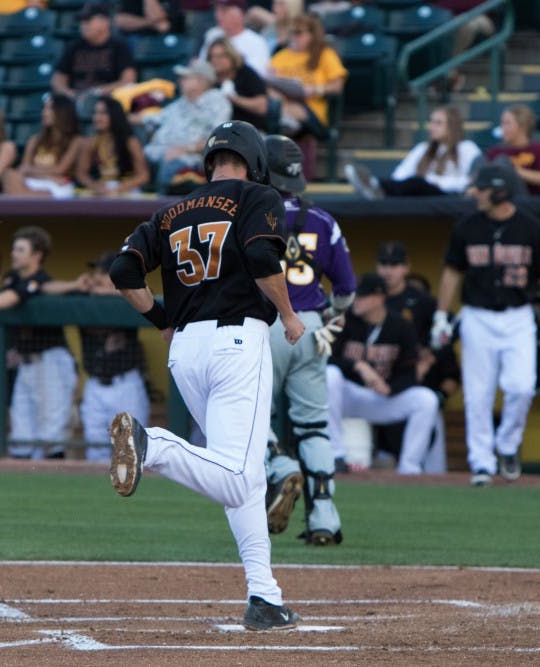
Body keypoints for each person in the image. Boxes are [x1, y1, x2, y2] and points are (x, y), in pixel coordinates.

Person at [106, 120, 305, 631]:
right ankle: (154, 446)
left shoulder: (171, 209)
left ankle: (264, 597)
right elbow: (263, 256)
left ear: (210, 161)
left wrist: (160, 319)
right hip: (238, 341)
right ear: (254, 159)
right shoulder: (258, 194)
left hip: (187, 347)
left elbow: (123, 270)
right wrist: (287, 312)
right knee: (239, 476)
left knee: (244, 475)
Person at [431, 163, 540, 486]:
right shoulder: (467, 226)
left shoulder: (531, 227)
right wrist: (441, 313)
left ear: (500, 190)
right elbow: (452, 271)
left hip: (519, 316)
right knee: (477, 394)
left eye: (481, 188)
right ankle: (481, 462)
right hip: (477, 315)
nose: (475, 194)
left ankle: (507, 446)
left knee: (522, 387)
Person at [261, 134, 356, 546]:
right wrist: (332, 317)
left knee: (248, 420)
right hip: (313, 326)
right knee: (314, 426)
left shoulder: (248, 213)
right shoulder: (323, 219)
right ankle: (325, 517)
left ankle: (281, 471)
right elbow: (347, 288)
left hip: (265, 325)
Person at [0, 226, 84, 460]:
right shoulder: (13, 279)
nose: (14, 254)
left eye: (20, 249)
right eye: (14, 249)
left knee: (53, 437)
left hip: (52, 362)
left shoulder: (39, 279)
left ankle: (55, 492)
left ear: (36, 255)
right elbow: (5, 292)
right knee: (21, 433)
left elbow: (15, 296)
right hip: (26, 364)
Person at [326, 272, 439, 474]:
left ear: (379, 298)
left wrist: (390, 388)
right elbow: (326, 358)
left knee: (426, 399)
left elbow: (410, 373)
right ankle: (335, 454)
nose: (355, 301)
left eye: (361, 296)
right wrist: (358, 366)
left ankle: (409, 467)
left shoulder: (401, 326)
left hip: (381, 398)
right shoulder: (345, 321)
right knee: (330, 375)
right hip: (347, 395)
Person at [375, 242, 452, 474]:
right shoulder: (372, 298)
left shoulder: (422, 301)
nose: (388, 271)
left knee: (431, 467)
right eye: (384, 264)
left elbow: (447, 331)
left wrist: (428, 355)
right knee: (380, 461)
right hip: (379, 387)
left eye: (395, 265)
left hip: (417, 387)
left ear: (406, 267)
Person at [78, 251, 150, 462]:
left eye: (104, 273)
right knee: (95, 450)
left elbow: (149, 294)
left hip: (125, 384)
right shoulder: (84, 298)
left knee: (132, 450)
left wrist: (107, 292)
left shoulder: (129, 297)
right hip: (95, 385)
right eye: (97, 272)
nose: (97, 277)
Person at [344, 106, 480, 199]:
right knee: (415, 182)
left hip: (447, 195)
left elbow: (469, 181)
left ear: (452, 125)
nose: (431, 126)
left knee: (418, 182)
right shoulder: (422, 148)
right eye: (431, 122)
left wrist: (437, 182)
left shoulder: (467, 148)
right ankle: (374, 186)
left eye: (438, 123)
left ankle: (374, 185)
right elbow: (400, 175)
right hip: (419, 193)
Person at [143, 59, 231, 193]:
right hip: (157, 154)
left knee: (170, 163)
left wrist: (185, 149)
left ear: (201, 80)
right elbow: (151, 119)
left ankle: (159, 208)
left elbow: (218, 139)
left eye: (186, 77)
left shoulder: (217, 102)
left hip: (190, 158)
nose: (180, 81)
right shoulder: (181, 103)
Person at [267, 14, 347, 141]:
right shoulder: (280, 56)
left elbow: (338, 86)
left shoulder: (325, 54)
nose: (294, 37)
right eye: (291, 32)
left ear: (312, 35)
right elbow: (270, 81)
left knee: (277, 113)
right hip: (282, 102)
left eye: (298, 33)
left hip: (311, 109)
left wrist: (315, 90)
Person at [2, 94, 83, 197]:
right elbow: (23, 168)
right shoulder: (35, 140)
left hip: (58, 185)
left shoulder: (76, 141)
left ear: (62, 112)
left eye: (49, 109)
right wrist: (48, 176)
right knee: (9, 175)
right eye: (44, 108)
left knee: (18, 193)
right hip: (36, 181)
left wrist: (32, 170)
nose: (44, 113)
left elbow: (60, 170)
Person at [51, 2, 136, 100]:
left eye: (88, 21)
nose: (83, 25)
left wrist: (98, 92)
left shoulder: (119, 46)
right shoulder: (74, 46)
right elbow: (58, 79)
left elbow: (128, 81)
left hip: (108, 102)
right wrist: (68, 93)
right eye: (81, 21)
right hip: (76, 101)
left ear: (105, 22)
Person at [75, 95, 150, 195]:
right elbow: (81, 174)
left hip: (127, 189)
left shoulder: (131, 142)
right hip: (101, 189)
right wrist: (97, 187)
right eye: (95, 113)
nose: (97, 117)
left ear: (115, 115)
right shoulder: (90, 142)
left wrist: (118, 189)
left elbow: (143, 175)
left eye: (103, 113)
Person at [485, 104, 540, 195]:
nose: (502, 128)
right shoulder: (495, 151)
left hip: (529, 202)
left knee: (502, 162)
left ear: (522, 126)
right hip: (500, 200)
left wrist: (512, 171)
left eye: (507, 123)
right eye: (502, 123)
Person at [207, 37, 269, 131]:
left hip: (248, 129)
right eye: (213, 57)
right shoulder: (209, 78)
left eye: (220, 56)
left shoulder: (246, 73)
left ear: (231, 56)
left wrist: (234, 99)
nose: (216, 60)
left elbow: (262, 107)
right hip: (217, 130)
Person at [198, 0, 270, 77]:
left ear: (240, 13)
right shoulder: (213, 34)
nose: (218, 15)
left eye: (224, 10)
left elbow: (256, 75)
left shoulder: (256, 42)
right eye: (216, 10)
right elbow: (202, 67)